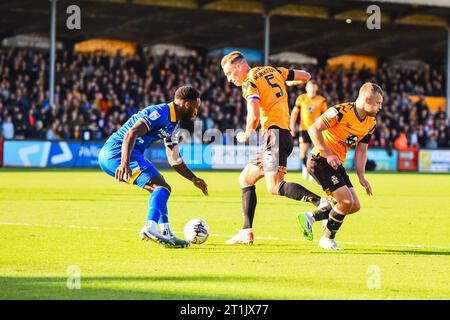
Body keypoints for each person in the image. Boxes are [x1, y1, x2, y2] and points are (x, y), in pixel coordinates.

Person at [221, 51, 330, 245]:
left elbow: (254, 115)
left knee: (274, 186)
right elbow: (306, 77)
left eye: (229, 73)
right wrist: (283, 83)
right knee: (246, 178)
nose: (230, 80)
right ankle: (246, 231)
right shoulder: (274, 71)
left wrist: (246, 135)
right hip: (281, 134)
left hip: (274, 135)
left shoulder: (249, 81)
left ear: (238, 67)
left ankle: (321, 202)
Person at [98, 86, 208, 249]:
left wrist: (193, 178)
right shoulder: (160, 113)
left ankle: (166, 233)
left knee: (161, 187)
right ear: (186, 104)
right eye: (196, 107)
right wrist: (124, 162)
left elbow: (174, 158)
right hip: (117, 152)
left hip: (124, 155)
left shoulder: (174, 125)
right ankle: (150, 227)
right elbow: (131, 134)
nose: (196, 112)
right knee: (161, 187)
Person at [298, 83, 383, 250]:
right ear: (366, 99)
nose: (380, 107)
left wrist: (361, 176)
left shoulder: (371, 122)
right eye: (378, 103)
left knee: (354, 205)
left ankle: (310, 217)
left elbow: (361, 151)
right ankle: (327, 239)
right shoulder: (340, 112)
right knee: (345, 201)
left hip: (336, 164)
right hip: (320, 160)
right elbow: (313, 129)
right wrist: (328, 153)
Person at [289, 80, 328, 180]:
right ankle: (305, 168)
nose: (312, 89)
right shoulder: (301, 98)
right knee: (303, 151)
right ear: (306, 88)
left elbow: (326, 116)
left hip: (317, 130)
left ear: (316, 88)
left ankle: (313, 170)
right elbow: (294, 113)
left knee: (316, 150)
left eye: (314, 87)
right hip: (304, 129)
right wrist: (292, 127)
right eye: (310, 87)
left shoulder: (321, 100)